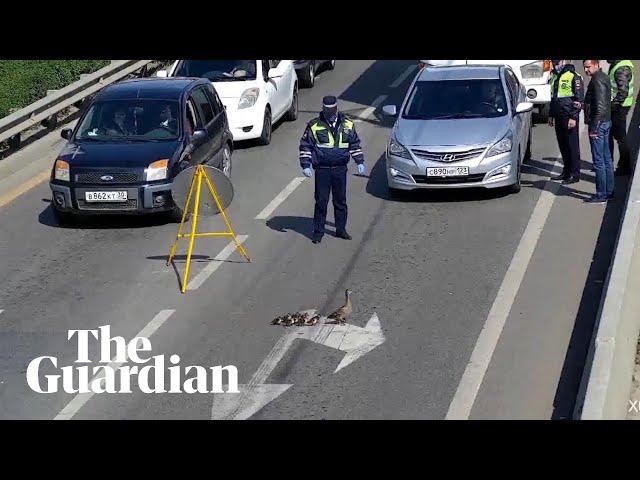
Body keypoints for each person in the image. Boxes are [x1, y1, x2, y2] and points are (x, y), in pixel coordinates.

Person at [299, 96, 365, 244]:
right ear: (323, 109)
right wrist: (306, 164)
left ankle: (341, 230)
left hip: (340, 169)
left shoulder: (347, 124)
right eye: (326, 110)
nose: (330, 113)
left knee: (340, 201)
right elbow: (306, 146)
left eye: (332, 110)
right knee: (321, 202)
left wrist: (359, 161)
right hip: (322, 170)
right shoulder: (314, 125)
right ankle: (318, 232)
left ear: (336, 109)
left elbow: (354, 144)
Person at [549, 60, 584, 184]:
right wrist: (551, 115)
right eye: (553, 62)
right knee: (563, 145)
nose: (555, 64)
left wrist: (573, 117)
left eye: (557, 62)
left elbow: (579, 99)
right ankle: (566, 171)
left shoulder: (574, 76)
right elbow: (553, 97)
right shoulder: (554, 76)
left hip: (569, 116)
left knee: (572, 146)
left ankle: (575, 174)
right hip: (558, 115)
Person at [583, 60, 614, 203]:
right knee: (606, 159)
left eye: (588, 67)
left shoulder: (597, 80)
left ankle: (601, 194)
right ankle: (609, 191)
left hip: (599, 124)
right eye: (584, 67)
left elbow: (600, 107)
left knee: (599, 161)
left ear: (596, 65)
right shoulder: (603, 76)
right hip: (606, 122)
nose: (586, 70)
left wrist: (594, 128)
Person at [606, 60, 635, 175]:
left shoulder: (622, 67)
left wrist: (611, 107)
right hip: (618, 106)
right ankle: (613, 163)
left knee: (620, 137)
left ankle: (625, 166)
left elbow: (622, 92)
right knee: (614, 135)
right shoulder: (618, 64)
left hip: (619, 107)